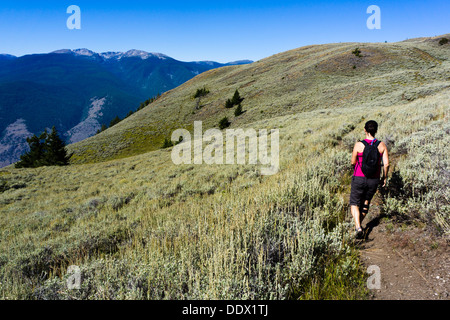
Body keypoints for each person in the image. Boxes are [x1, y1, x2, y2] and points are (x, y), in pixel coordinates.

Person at [350, 120, 389, 238]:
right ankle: (359, 225)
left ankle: (357, 227)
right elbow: (386, 164)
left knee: (354, 202)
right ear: (376, 130)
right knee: (366, 202)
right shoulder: (381, 145)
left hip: (359, 177)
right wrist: (384, 178)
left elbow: (353, 162)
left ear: (365, 130)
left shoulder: (358, 145)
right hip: (374, 179)